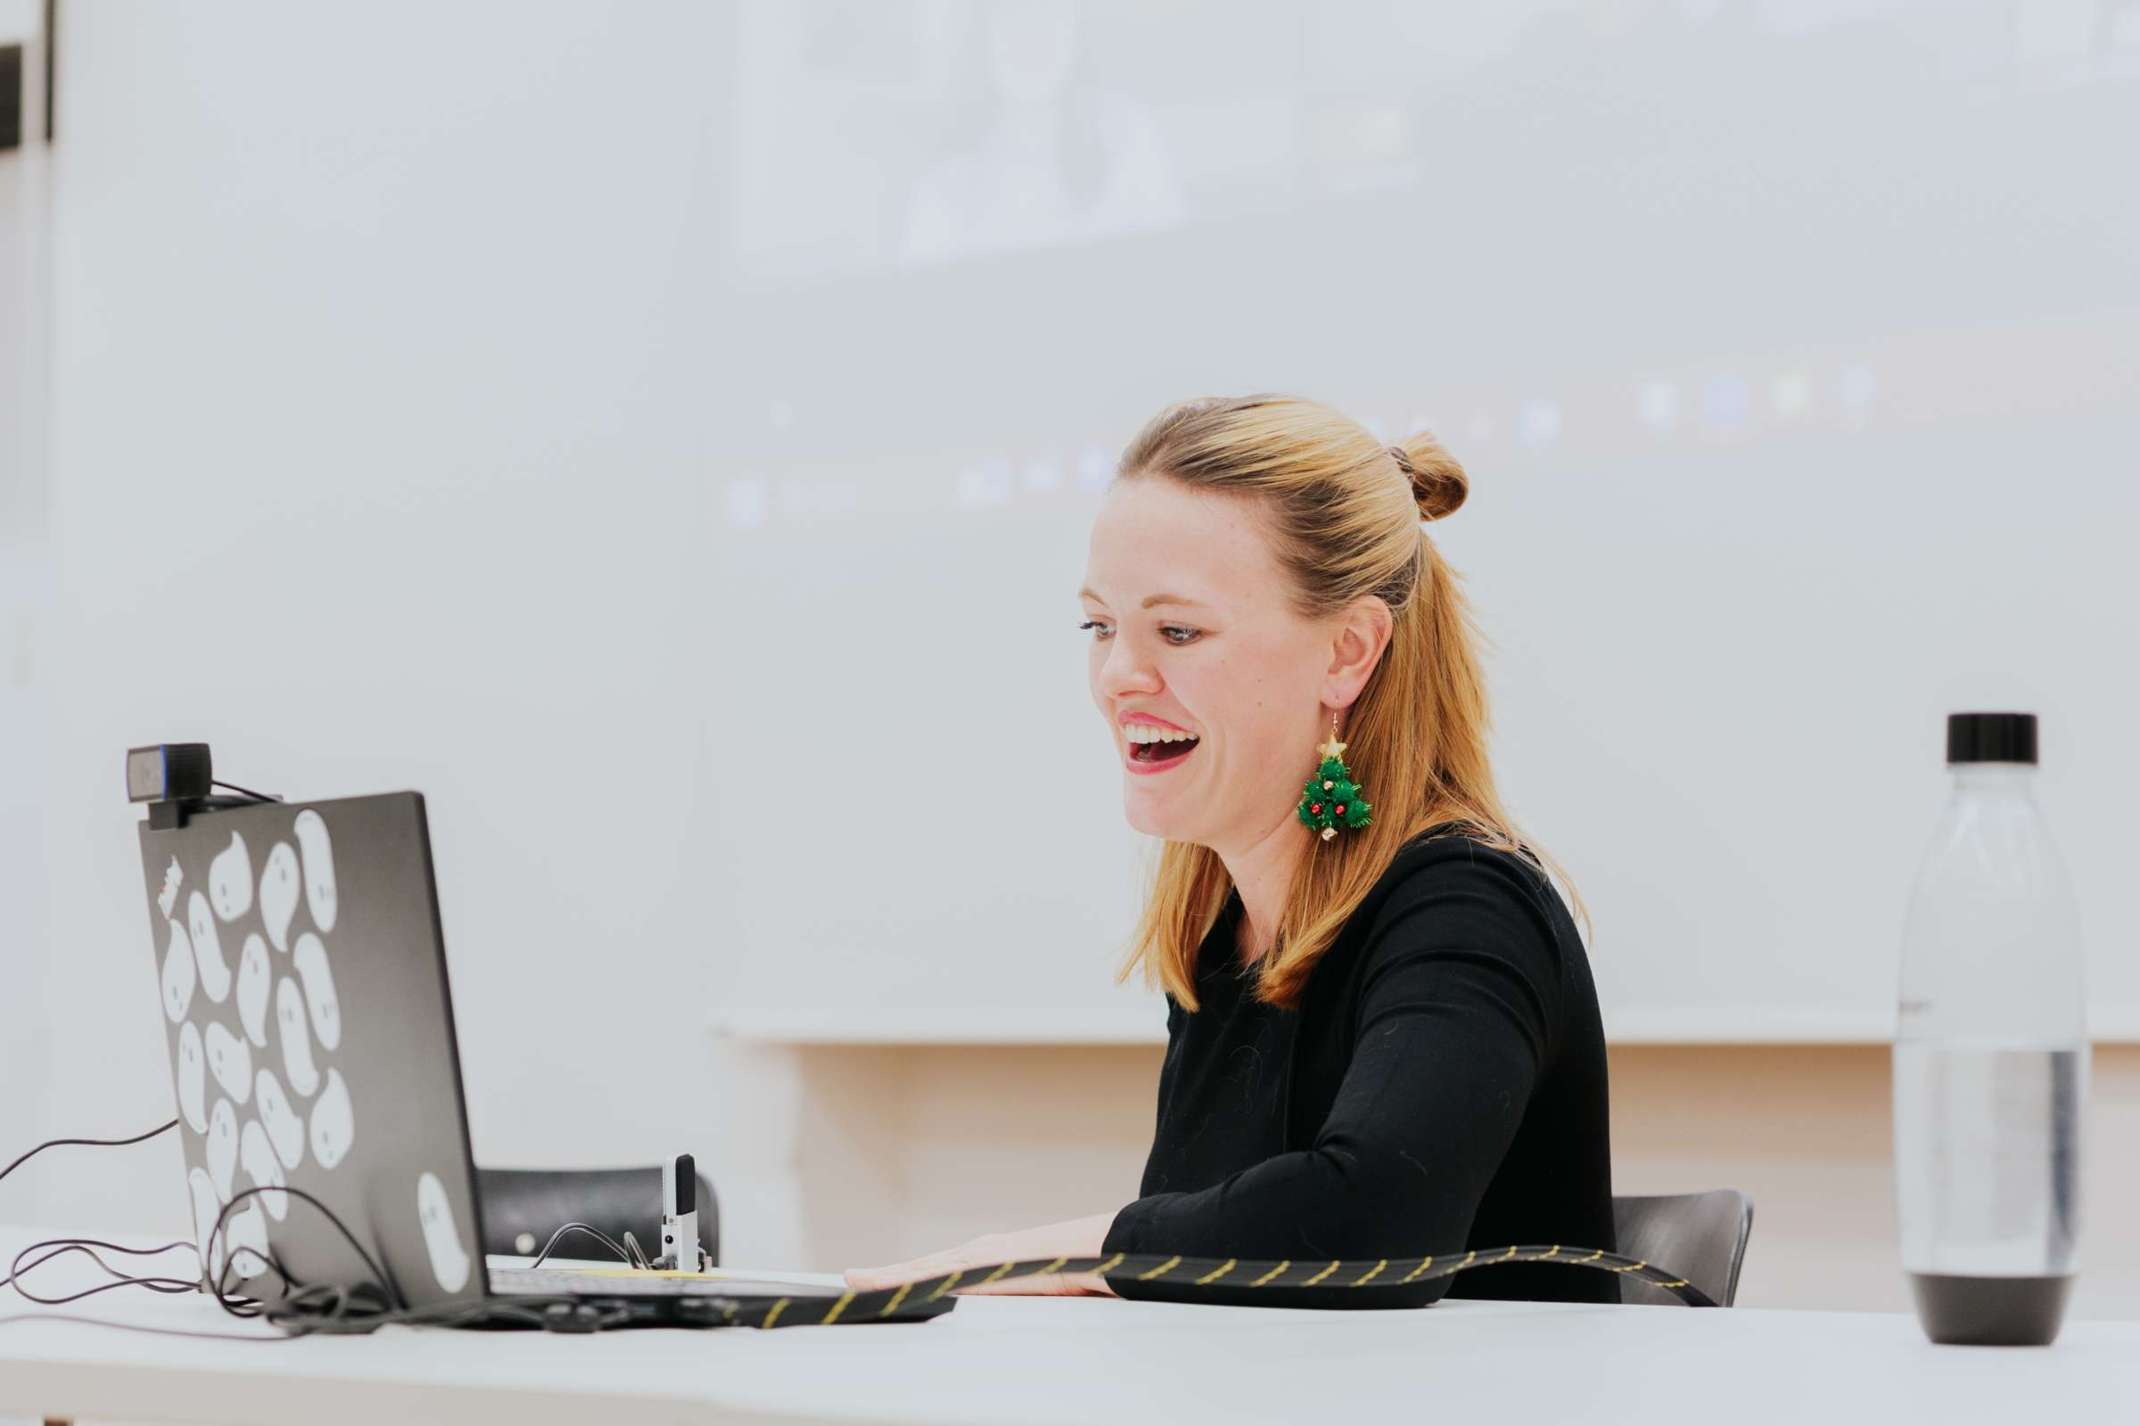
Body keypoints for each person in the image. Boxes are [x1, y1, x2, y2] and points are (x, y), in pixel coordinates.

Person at [845, 394, 1615, 1308]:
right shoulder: (1220, 934)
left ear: (1349, 652)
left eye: (1178, 631)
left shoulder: (1468, 905)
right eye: (1100, 627)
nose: (1118, 677)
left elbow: (1370, 1225)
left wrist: (1029, 1255)